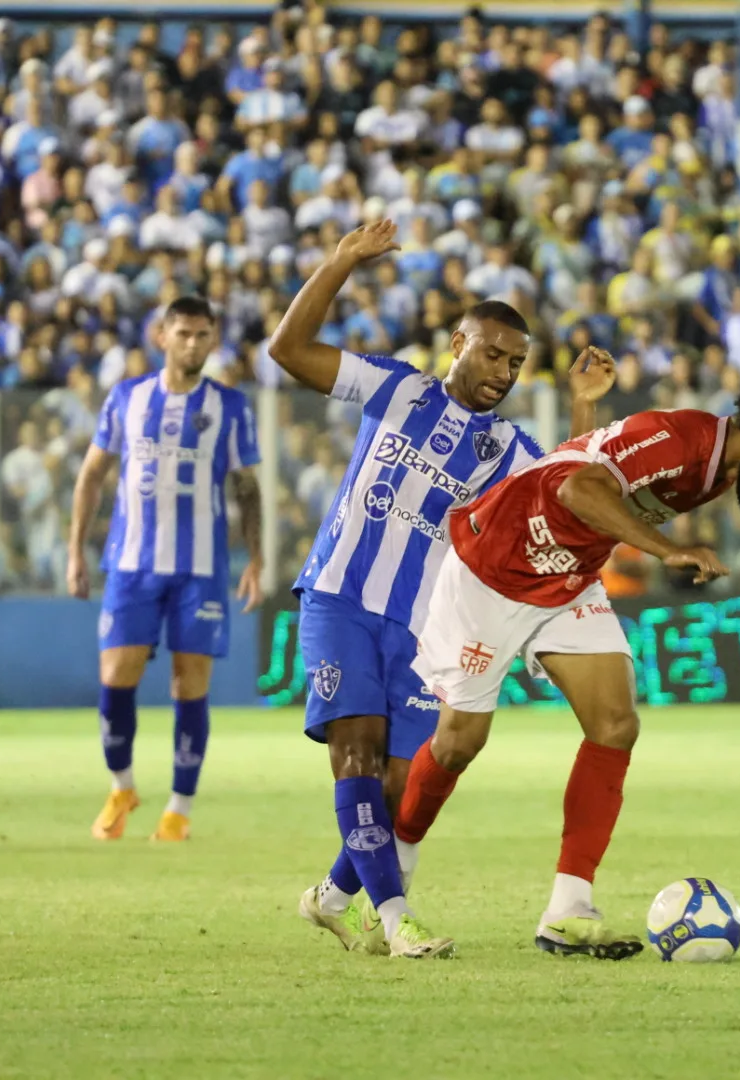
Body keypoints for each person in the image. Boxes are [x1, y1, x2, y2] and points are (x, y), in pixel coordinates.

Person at [395, 364, 740, 958]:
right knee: (459, 743)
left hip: (568, 575)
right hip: (496, 567)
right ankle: (383, 876)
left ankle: (568, 909)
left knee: (615, 725)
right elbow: (575, 489)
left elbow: (577, 461)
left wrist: (583, 409)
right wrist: (668, 549)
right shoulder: (680, 442)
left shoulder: (719, 468)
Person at [265, 220, 614, 960]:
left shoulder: (509, 449)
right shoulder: (396, 387)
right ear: (458, 344)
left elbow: (567, 489)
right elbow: (288, 352)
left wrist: (583, 406)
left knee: (395, 790)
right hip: (340, 596)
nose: (503, 370)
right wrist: (339, 262)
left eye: (516, 363)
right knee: (356, 758)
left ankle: (331, 898)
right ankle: (396, 921)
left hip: (424, 629)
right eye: (492, 353)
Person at [66, 295, 264, 843]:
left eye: (203, 334)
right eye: (183, 334)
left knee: (189, 684)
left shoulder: (229, 405)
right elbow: (91, 475)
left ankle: (178, 809)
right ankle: (121, 786)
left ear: (214, 338)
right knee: (116, 675)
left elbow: (246, 486)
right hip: (131, 564)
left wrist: (257, 559)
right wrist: (74, 550)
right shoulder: (127, 398)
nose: (193, 344)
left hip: (200, 569)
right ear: (162, 336)